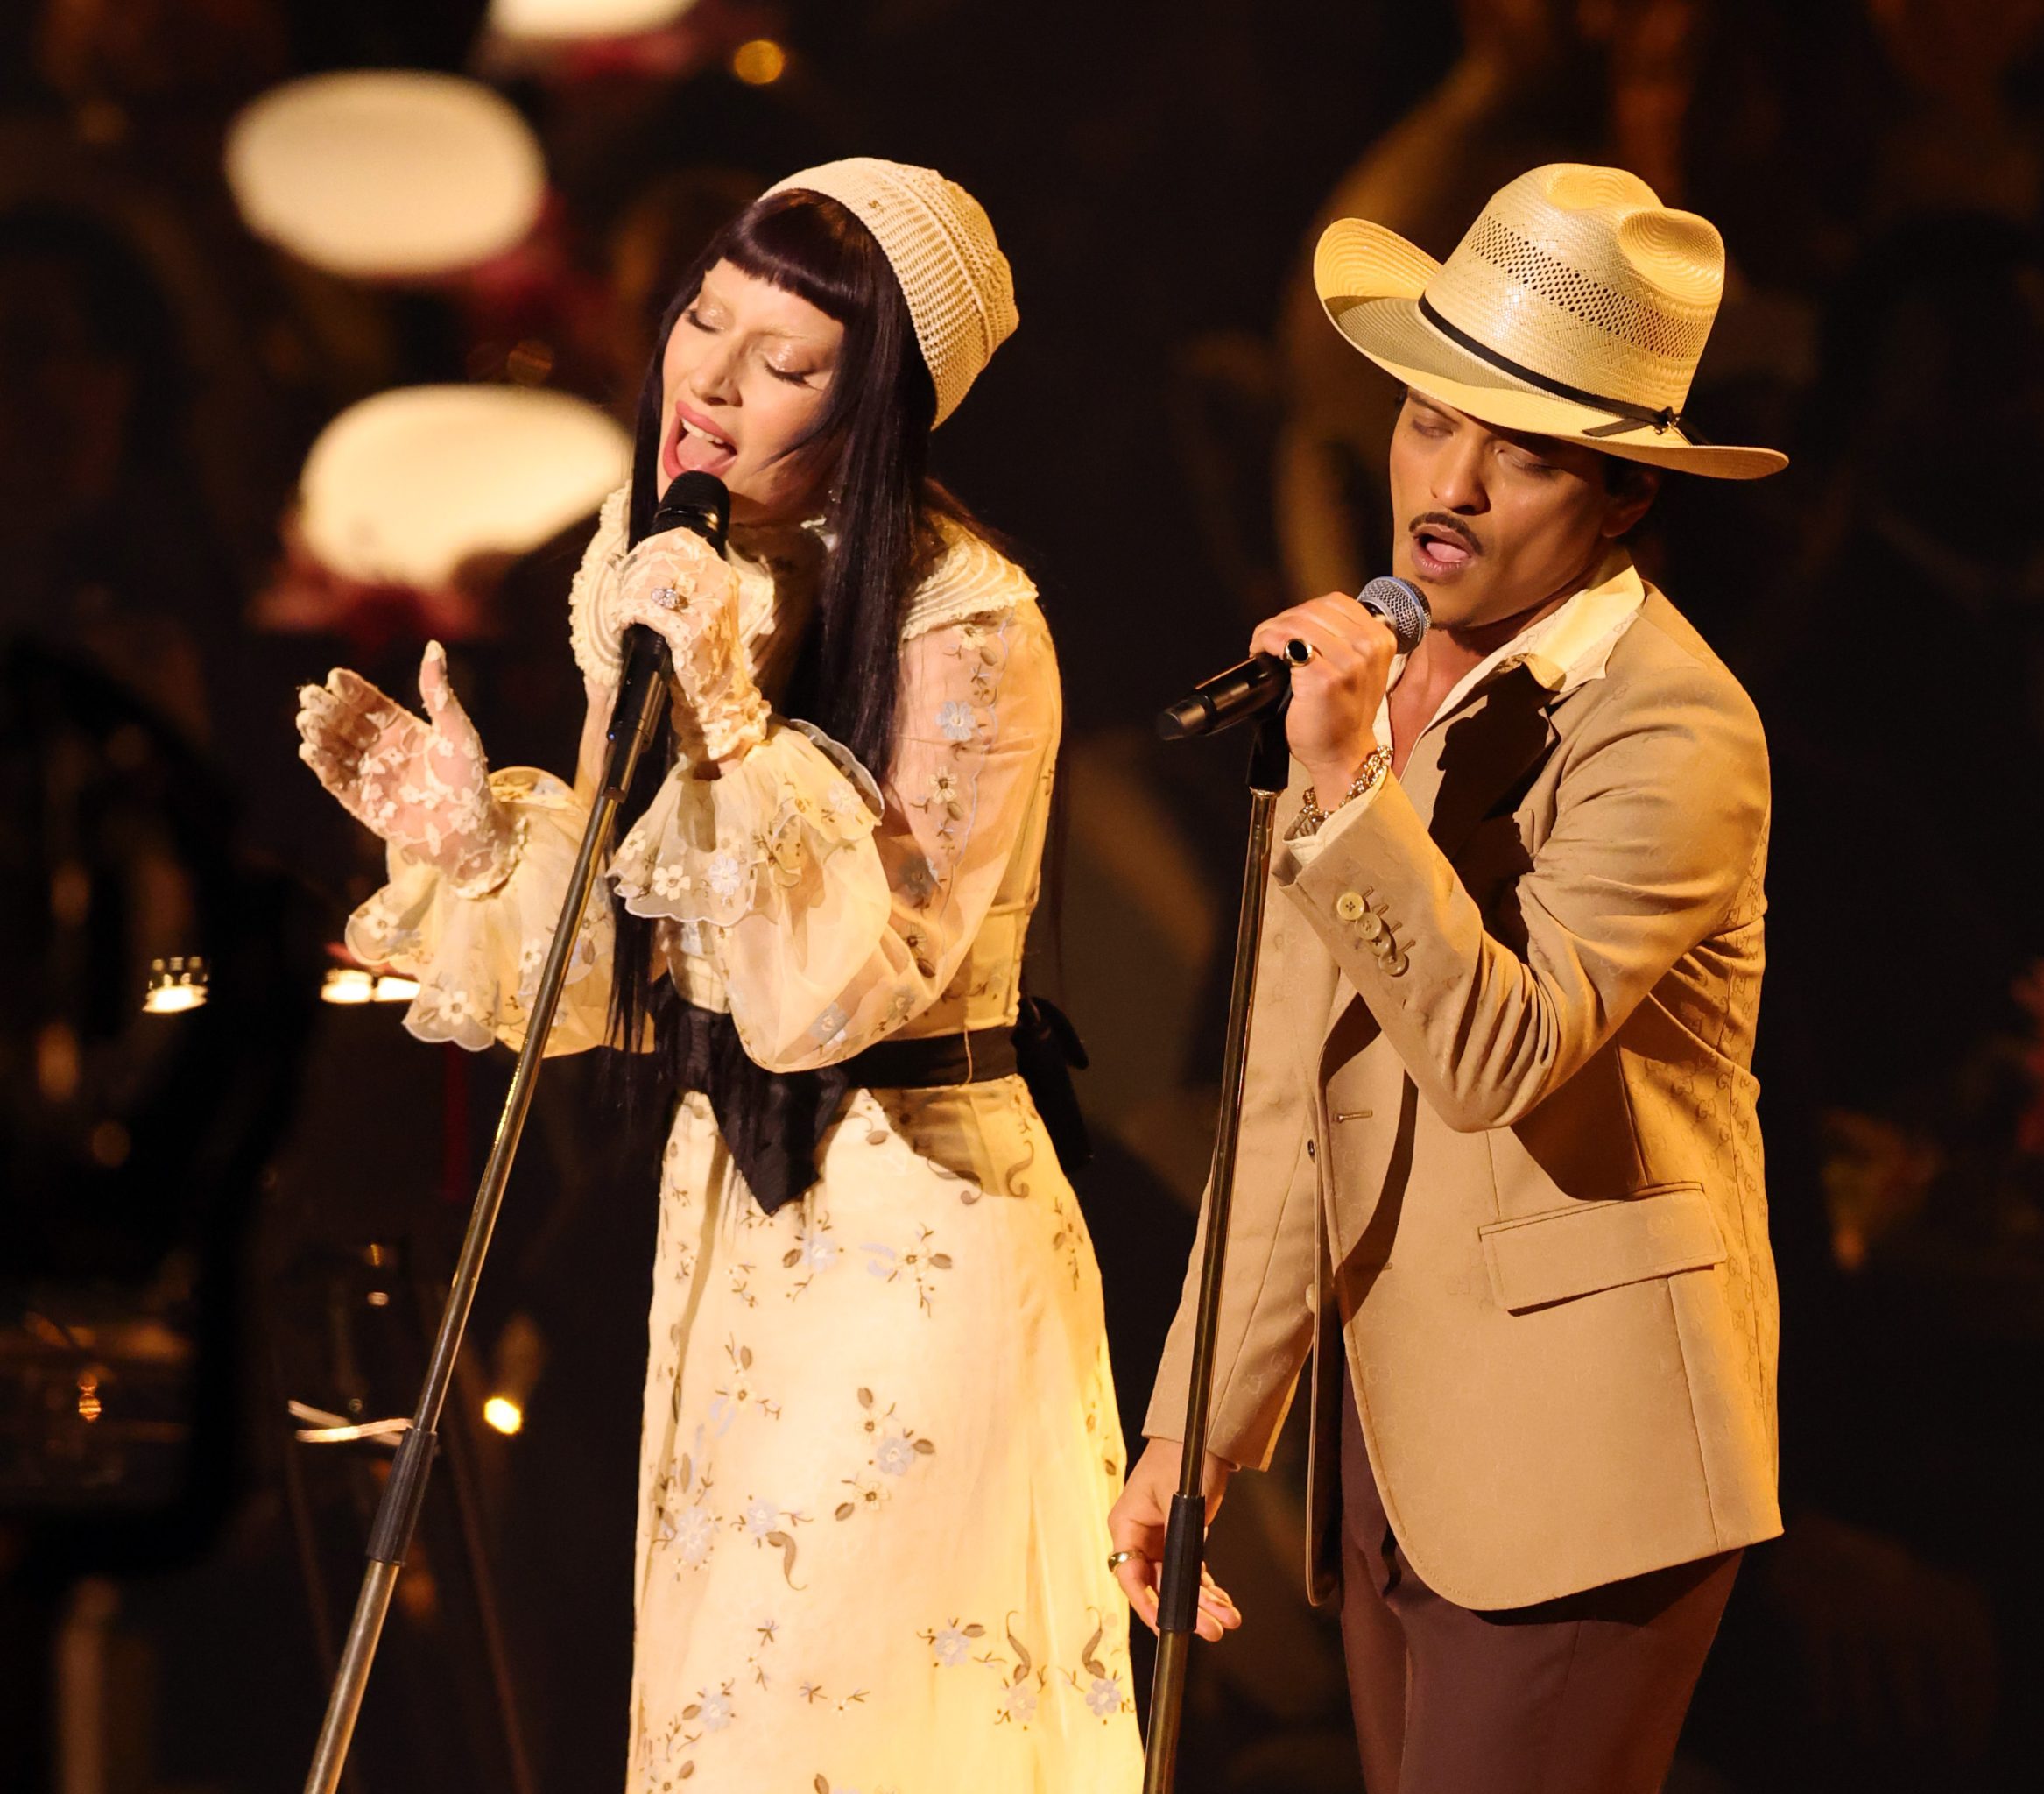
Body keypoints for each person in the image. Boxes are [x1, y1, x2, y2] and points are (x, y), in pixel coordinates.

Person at [295, 159, 1143, 1792]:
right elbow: (626, 974)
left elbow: (848, 990)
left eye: (788, 360)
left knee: (859, 1715)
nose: (711, 378)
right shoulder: (650, 552)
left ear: (878, 401)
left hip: (919, 1217)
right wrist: (473, 843)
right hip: (730, 1218)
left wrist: (736, 717)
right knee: (725, 1716)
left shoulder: (970, 623)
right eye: (705, 317)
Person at [1110, 163, 1788, 1794]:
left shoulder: (1671, 727)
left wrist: (1345, 780)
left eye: (1525, 449)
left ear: (1624, 495)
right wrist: (1196, 1420)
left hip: (1584, 1465)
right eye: (1428, 419)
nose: (1454, 482)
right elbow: (1292, 1087)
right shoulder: (1397, 684)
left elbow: (1502, 1052)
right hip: (1401, 1450)